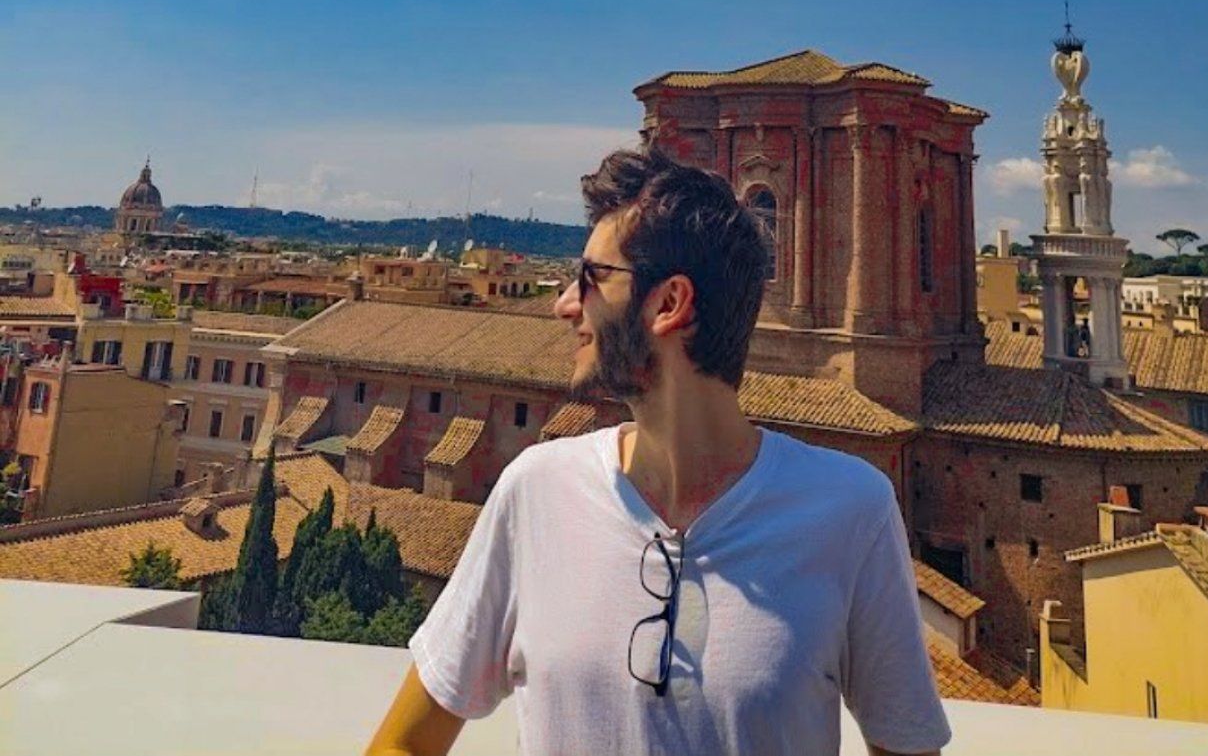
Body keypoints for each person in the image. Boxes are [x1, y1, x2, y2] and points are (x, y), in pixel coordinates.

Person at [367, 145, 950, 756]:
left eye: (591, 277)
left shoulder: (851, 511)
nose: (565, 303)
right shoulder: (534, 491)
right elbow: (402, 744)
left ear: (669, 304)